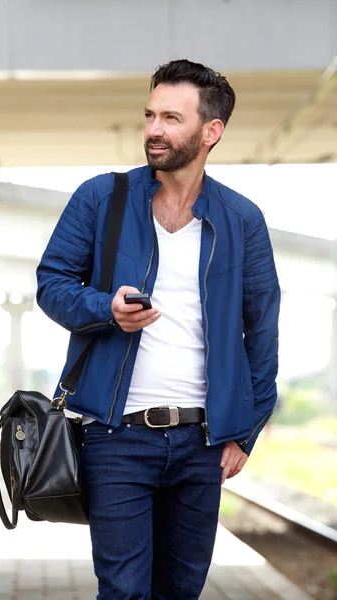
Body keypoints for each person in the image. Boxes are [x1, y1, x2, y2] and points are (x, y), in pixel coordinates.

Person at [36, 59, 280, 600]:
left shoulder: (242, 220)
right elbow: (51, 285)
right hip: (116, 436)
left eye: (171, 117)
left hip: (202, 442)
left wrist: (246, 432)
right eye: (150, 115)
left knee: (181, 592)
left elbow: (261, 335)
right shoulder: (101, 198)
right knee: (123, 591)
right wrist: (106, 307)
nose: (153, 129)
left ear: (210, 131)